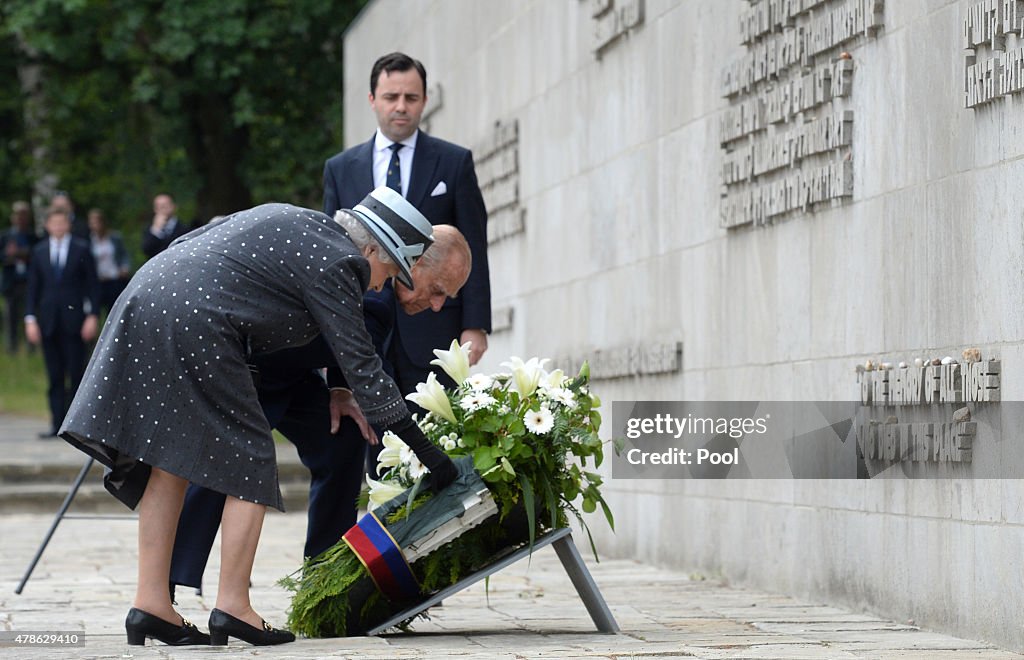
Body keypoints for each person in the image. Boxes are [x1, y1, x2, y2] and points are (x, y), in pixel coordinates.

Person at [59, 187, 459, 647]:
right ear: (371, 249)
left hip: (147, 296)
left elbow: (207, 234)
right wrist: (433, 457)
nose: (380, 284)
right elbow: (363, 367)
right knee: (249, 462)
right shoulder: (341, 261)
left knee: (169, 459)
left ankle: (151, 604)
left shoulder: (302, 223)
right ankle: (234, 608)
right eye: (389, 270)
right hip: (199, 320)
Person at [168, 225, 471, 594]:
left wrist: (341, 390)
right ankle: (169, 578)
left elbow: (354, 352)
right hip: (249, 368)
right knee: (226, 462)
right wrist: (427, 452)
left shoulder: (384, 294)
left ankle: (324, 576)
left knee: (342, 438)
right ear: (416, 262)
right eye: (438, 290)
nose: (438, 306)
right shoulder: (371, 284)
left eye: (447, 298)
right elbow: (367, 368)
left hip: (295, 373)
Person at [322, 52, 492, 396]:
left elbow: (473, 244)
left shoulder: (454, 162)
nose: (401, 106)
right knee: (373, 442)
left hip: (434, 331)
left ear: (425, 101)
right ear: (372, 100)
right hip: (364, 331)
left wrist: (476, 326)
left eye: (411, 98)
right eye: (391, 97)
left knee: (436, 437)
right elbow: (332, 253)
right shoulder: (340, 169)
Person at [24, 208, 100, 437]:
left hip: (75, 321)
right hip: (48, 322)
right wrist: (30, 319)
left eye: (62, 222)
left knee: (76, 373)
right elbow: (33, 288)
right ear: (47, 225)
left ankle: (76, 428)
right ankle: (56, 424)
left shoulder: (81, 249)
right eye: (53, 223)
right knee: (55, 375)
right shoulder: (38, 251)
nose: (57, 226)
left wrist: (93, 315)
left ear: (68, 225)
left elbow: (92, 285)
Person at [1, 201, 40, 353]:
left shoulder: (32, 236)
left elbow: (37, 255)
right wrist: (9, 255)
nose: (21, 219)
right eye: (18, 216)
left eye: (24, 216)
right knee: (11, 316)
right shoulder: (6, 236)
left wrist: (24, 253)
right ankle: (12, 347)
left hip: (28, 281)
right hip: (12, 282)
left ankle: (31, 346)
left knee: (30, 314)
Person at [87, 208, 132, 317]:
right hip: (98, 281)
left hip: (114, 278)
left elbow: (123, 254)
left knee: (114, 312)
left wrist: (125, 268)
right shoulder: (88, 240)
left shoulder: (114, 237)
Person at [142, 193, 188, 259]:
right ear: (155, 209)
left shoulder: (184, 229)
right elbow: (146, 250)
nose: (162, 208)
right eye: (159, 206)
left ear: (174, 206)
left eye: (165, 205)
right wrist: (156, 230)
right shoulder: (150, 230)